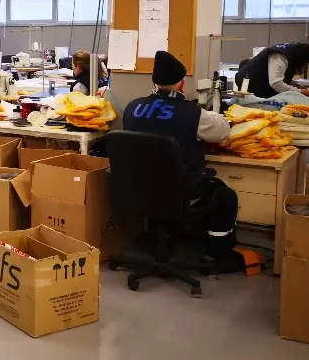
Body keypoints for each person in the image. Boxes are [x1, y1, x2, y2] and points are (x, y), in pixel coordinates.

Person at [123, 51, 240, 270]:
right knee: (226, 197)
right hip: (181, 192)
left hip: (138, 190)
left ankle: (163, 239)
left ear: (153, 83)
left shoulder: (132, 108)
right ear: (183, 85)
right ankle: (215, 255)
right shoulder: (192, 113)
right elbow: (223, 133)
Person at [234, 43, 309, 98]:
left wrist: (297, 85)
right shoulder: (280, 56)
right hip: (251, 84)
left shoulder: (290, 52)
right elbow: (276, 83)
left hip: (257, 82)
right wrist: (301, 92)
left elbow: (280, 76)